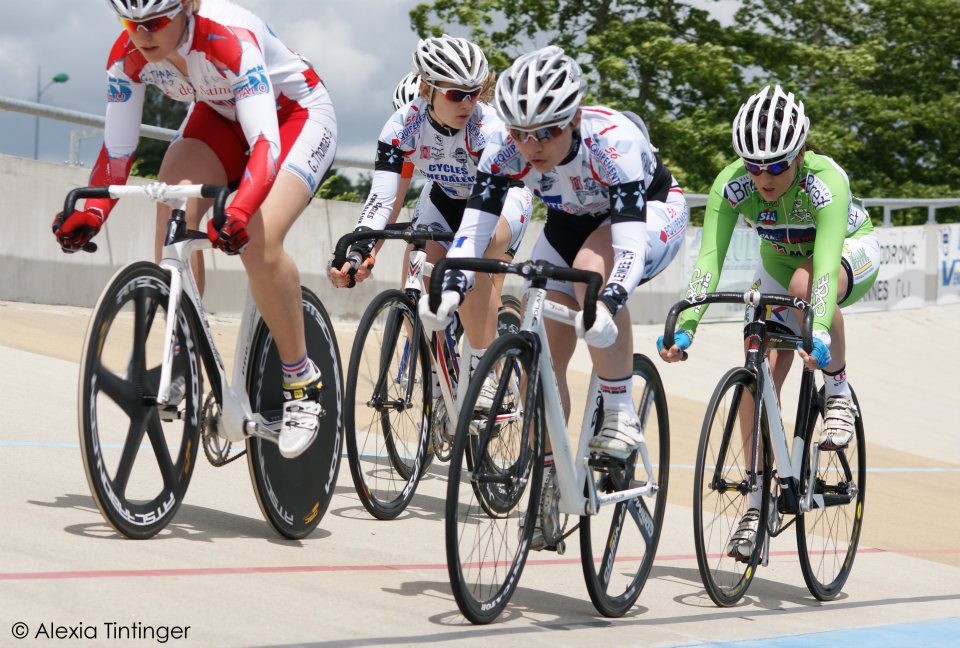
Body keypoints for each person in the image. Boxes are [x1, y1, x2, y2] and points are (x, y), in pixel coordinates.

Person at [420, 46, 688, 549]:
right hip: (570, 220)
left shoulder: (614, 144)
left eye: (545, 132)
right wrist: (450, 285)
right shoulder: (505, 149)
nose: (531, 146)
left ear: (575, 118)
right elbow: (472, 233)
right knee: (535, 327)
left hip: (647, 215)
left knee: (592, 275)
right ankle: (548, 469)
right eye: (521, 132)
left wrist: (607, 303)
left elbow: (626, 251)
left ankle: (619, 410)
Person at [51, 0, 338, 459]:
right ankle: (183, 350)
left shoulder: (228, 41)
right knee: (171, 202)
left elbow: (264, 143)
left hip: (293, 116)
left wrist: (241, 208)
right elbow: (117, 152)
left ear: (187, 7)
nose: (142, 35)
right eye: (131, 23)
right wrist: (94, 212)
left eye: (156, 22)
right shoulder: (125, 58)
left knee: (258, 241)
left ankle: (301, 378)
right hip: (222, 115)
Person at [658, 84, 879, 560]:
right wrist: (687, 324)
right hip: (777, 265)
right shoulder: (732, 183)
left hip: (843, 256)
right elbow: (709, 260)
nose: (764, 176)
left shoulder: (826, 181)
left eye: (777, 165)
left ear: (799, 154)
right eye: (754, 165)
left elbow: (821, 268)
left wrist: (817, 331)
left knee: (805, 288)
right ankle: (759, 504)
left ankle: (837, 390)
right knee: (754, 378)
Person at [329, 35, 533, 410]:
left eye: (476, 92)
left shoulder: (488, 129)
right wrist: (361, 249)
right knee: (422, 268)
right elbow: (384, 198)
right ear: (427, 88)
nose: (470, 103)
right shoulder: (400, 128)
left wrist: (459, 255)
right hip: (445, 196)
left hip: (502, 199)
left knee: (467, 260)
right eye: (457, 94)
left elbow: (481, 212)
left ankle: (483, 372)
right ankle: (440, 374)